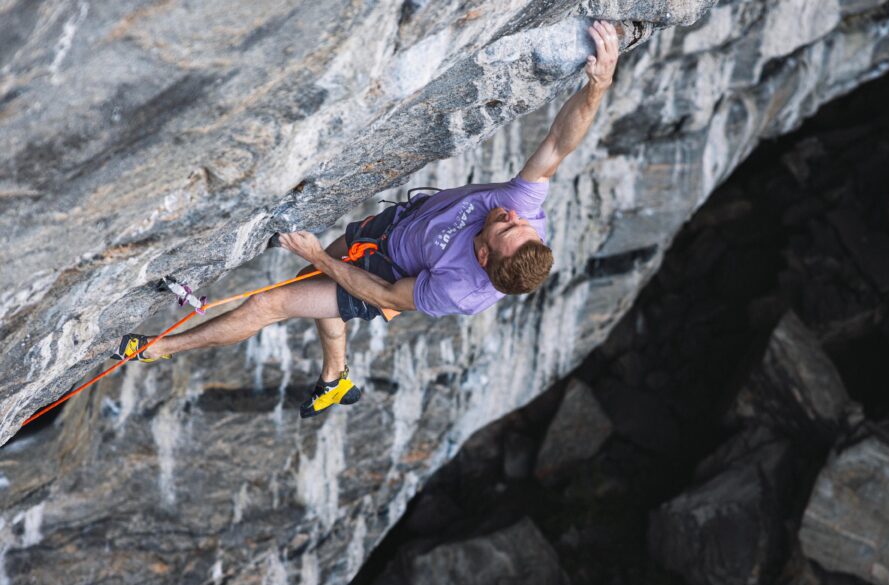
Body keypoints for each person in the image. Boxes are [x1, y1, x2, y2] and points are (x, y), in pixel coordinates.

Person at [113, 20, 621, 418]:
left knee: (273, 302)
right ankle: (336, 381)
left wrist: (315, 253)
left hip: (385, 274)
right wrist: (598, 85)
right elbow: (558, 142)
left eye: (505, 227)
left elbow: (379, 297)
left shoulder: (456, 291)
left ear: (484, 255)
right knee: (314, 290)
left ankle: (161, 348)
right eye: (520, 222)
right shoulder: (525, 218)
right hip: (390, 231)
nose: (510, 213)